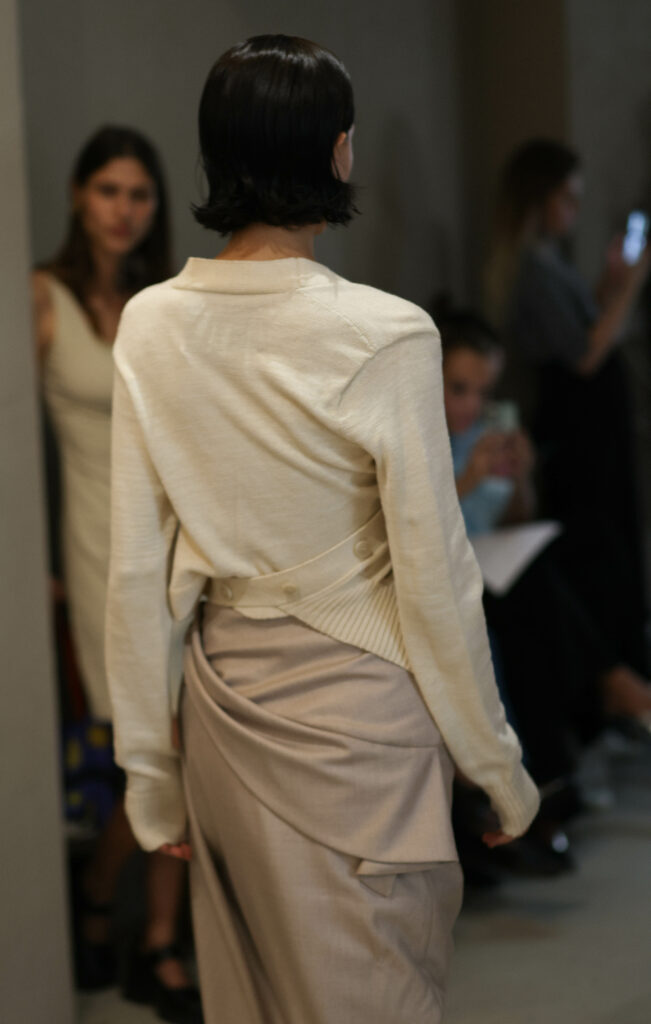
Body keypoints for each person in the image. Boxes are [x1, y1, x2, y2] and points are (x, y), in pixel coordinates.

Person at [105, 36, 539, 1024]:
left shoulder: (150, 323)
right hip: (361, 725)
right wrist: (495, 764)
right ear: (338, 151)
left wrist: (149, 773)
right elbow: (435, 579)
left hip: (224, 712)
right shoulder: (386, 333)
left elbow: (136, 571)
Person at [34, 126, 202, 1024]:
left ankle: (155, 939)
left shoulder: (162, 301)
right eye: (107, 190)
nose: (123, 209)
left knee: (181, 745)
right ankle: (101, 896)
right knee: (148, 750)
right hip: (95, 551)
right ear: (77, 195)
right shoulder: (42, 296)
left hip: (173, 546)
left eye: (138, 194)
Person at [438, 307, 651, 812]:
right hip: (452, 572)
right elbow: (418, 523)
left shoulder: (482, 433)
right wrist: (469, 478)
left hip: (494, 560)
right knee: (540, 587)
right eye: (459, 388)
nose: (472, 404)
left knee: (588, 543)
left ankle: (615, 689)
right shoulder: (419, 438)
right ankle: (616, 688)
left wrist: (521, 476)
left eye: (484, 392)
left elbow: (517, 518)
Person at [484, 138, 650, 677]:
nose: (575, 210)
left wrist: (611, 284)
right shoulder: (531, 269)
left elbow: (586, 326)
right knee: (596, 545)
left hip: (592, 421)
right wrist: (636, 280)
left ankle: (623, 670)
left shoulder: (549, 261)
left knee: (611, 539)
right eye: (568, 199)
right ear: (540, 199)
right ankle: (614, 677)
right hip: (578, 427)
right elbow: (586, 353)